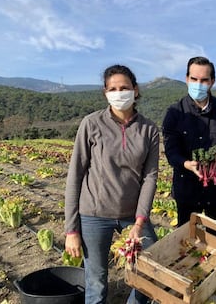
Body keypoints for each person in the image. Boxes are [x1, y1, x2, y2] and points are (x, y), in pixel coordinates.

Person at [64, 64, 159, 304]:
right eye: (113, 89)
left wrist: (140, 221)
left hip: (132, 214)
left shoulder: (149, 129)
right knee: (96, 281)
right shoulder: (91, 123)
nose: (119, 93)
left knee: (151, 270)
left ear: (135, 90)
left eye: (124, 87)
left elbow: (150, 177)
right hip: (94, 215)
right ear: (106, 93)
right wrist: (71, 230)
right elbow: (75, 175)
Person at [162, 56, 216, 227]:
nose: (198, 84)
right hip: (186, 189)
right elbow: (171, 151)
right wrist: (186, 164)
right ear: (186, 79)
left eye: (204, 80)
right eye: (194, 79)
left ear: (212, 82)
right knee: (186, 243)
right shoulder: (174, 112)